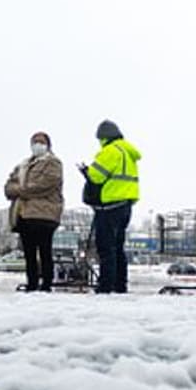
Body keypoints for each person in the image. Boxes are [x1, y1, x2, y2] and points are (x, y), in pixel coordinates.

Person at [79, 120, 141, 294]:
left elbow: (97, 176)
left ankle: (106, 286)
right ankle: (120, 285)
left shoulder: (110, 151)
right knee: (118, 248)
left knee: (106, 247)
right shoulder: (128, 153)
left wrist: (87, 171)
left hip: (109, 206)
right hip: (126, 205)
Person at [4, 131, 64, 292]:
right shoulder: (23, 165)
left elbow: (44, 186)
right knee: (29, 252)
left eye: (41, 141)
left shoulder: (53, 163)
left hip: (45, 214)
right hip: (24, 214)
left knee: (45, 250)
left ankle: (46, 284)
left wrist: (20, 190)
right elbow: (8, 187)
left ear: (48, 145)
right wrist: (19, 189)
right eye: (35, 141)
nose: (38, 145)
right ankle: (31, 283)